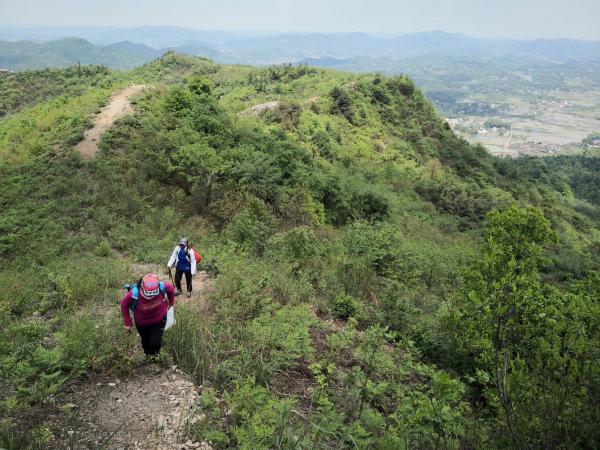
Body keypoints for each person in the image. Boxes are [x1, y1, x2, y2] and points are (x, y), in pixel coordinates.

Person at [120, 273, 175, 356]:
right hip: (142, 323)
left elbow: (170, 289)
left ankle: (156, 357)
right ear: (142, 287)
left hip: (159, 319)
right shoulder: (134, 293)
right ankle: (148, 355)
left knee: (155, 342)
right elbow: (124, 304)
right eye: (149, 293)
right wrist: (127, 323)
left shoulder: (162, 286)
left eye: (154, 293)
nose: (151, 296)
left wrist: (171, 303)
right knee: (145, 341)